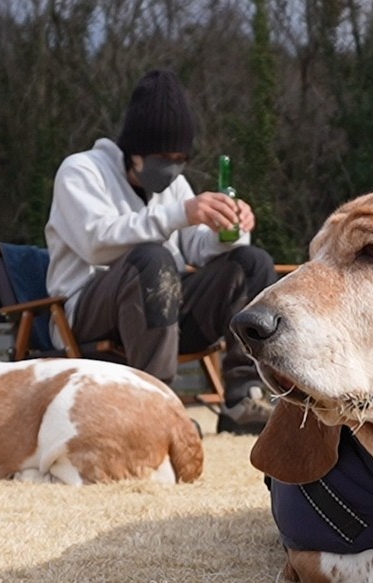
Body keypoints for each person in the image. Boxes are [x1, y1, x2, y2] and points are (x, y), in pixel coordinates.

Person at [44, 69, 279, 434]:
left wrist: (230, 231)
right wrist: (179, 213)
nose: (171, 168)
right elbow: (95, 242)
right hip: (87, 310)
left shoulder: (176, 185)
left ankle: (242, 398)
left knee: (252, 263)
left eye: (180, 157)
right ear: (134, 151)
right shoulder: (81, 171)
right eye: (162, 157)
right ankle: (158, 403)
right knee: (153, 259)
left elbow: (198, 250)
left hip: (162, 309)